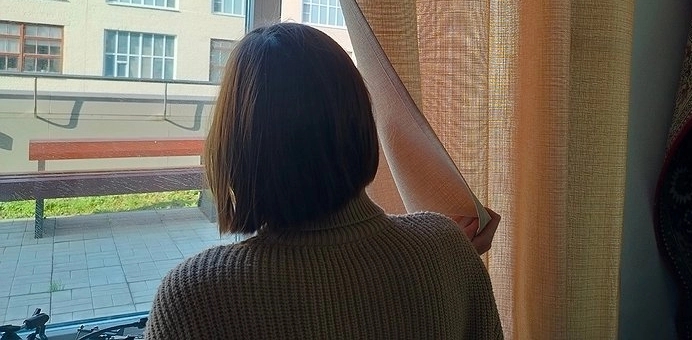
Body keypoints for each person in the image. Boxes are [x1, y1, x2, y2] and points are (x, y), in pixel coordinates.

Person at [145, 23, 503, 339]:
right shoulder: (446, 246)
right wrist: (445, 261)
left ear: (235, 143)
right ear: (362, 121)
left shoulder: (195, 297)